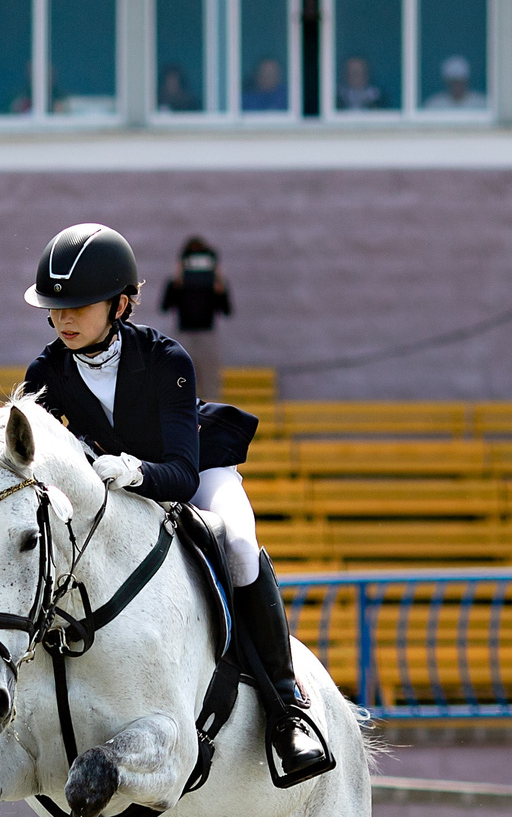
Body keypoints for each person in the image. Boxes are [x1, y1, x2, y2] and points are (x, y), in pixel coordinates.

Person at [18, 222, 332, 784]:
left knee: (237, 543)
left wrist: (134, 471)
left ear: (120, 304)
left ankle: (288, 712)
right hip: (107, 489)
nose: (63, 318)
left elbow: (183, 474)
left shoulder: (167, 360)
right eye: (54, 307)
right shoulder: (46, 373)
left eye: (78, 305)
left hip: (191, 470)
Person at [159, 237, 234, 401]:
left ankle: (210, 422)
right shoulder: (177, 282)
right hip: (184, 335)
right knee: (182, 381)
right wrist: (177, 280)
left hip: (207, 335)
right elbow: (164, 306)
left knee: (210, 385)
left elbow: (227, 310)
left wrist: (219, 284)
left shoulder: (214, 283)